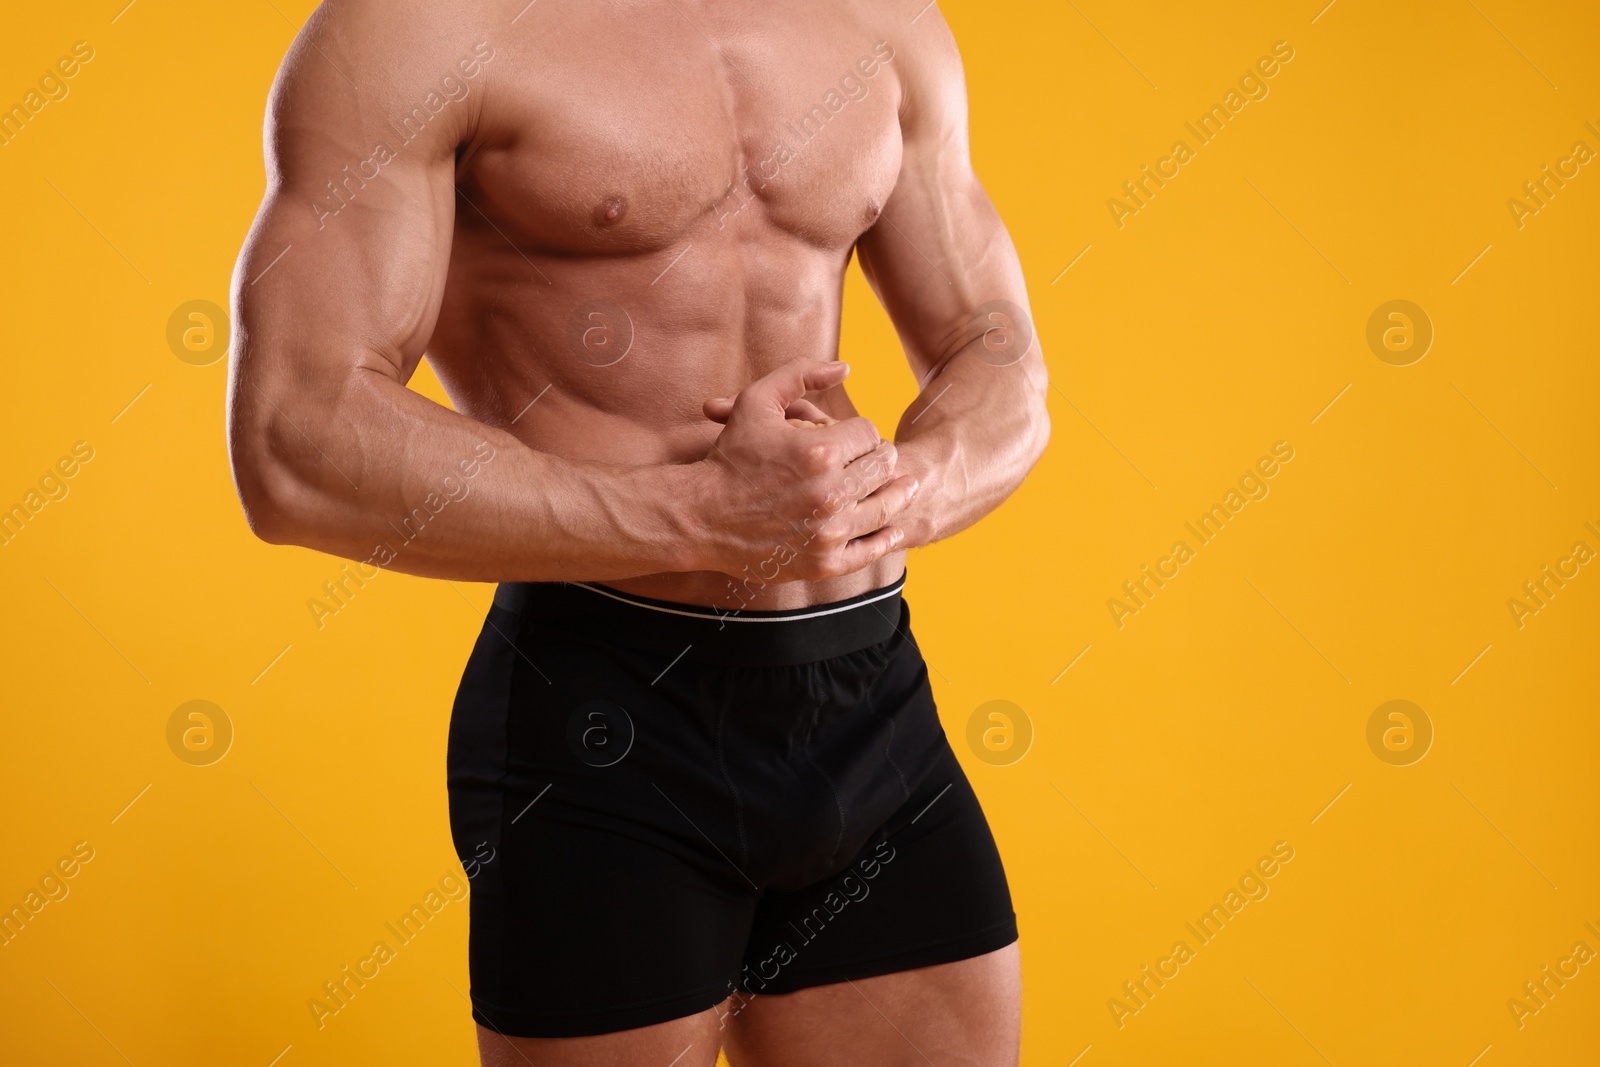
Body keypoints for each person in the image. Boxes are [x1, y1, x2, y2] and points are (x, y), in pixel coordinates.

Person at [227, 1, 1048, 1063]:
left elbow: (996, 346)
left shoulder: (879, 18)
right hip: (607, 713)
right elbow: (298, 436)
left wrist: (907, 488)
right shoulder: (418, 30)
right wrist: (700, 517)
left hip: (868, 702)